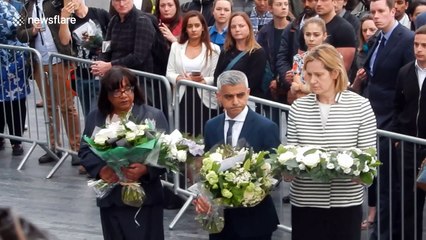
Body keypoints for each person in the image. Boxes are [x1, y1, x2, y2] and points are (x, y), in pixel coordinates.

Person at [286, 44, 377, 240]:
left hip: (345, 203)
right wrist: (286, 169)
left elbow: (369, 158)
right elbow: (290, 152)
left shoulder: (361, 106)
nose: (312, 80)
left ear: (335, 73)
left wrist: (357, 171)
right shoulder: (298, 108)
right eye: (308, 75)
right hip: (305, 202)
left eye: (319, 75)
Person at [79, 66, 168, 240]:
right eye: (117, 91)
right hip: (111, 199)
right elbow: (85, 150)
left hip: (146, 199)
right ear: (107, 94)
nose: (124, 95)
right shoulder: (96, 117)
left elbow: (167, 153)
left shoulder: (152, 116)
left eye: (128, 89)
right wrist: (101, 170)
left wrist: (145, 170)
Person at [194, 70, 280, 240]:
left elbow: (275, 171)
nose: (235, 101)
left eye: (240, 95)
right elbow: (206, 164)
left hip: (255, 219)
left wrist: (252, 188)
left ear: (248, 93)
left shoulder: (266, 127)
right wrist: (204, 195)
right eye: (228, 96)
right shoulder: (211, 125)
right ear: (219, 96)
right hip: (220, 219)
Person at [361, 0, 414, 237]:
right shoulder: (377, 39)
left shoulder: (405, 39)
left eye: (381, 11)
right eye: (373, 12)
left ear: (394, 11)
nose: (376, 16)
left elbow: (406, 86)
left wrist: (396, 124)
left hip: (391, 122)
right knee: (379, 181)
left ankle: (384, 233)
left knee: (388, 185)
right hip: (374, 118)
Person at [17, 0, 81, 164]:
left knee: (67, 105)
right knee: (49, 106)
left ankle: (76, 148)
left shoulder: (56, 2)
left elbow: (72, 15)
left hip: (61, 60)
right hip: (39, 63)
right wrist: (33, 30)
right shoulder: (27, 6)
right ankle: (54, 147)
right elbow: (20, 33)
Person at [390, 25, 426, 240]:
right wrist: (397, 137)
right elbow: (397, 106)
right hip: (408, 146)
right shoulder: (405, 72)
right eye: (416, 44)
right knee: (408, 203)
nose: (419, 49)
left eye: (424, 45)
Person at [166, 11, 220, 136]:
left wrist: (202, 81)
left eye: (197, 25)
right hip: (182, 95)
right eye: (190, 26)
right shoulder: (176, 47)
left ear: (203, 28)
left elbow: (214, 77)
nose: (193, 29)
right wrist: (180, 78)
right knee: (183, 133)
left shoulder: (214, 49)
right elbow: (169, 72)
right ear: (185, 29)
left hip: (204, 97)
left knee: (203, 134)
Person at [58, 0, 110, 117]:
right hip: (82, 74)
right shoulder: (69, 20)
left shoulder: (99, 13)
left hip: (102, 74)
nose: (72, 2)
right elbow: (64, 40)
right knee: (89, 115)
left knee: (100, 113)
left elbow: (114, 37)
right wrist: (64, 19)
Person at [92, 0, 156, 76]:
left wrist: (109, 65)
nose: (121, 4)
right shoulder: (114, 20)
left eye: (125, 0)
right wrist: (100, 64)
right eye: (117, 0)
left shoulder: (142, 21)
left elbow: (138, 57)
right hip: (115, 77)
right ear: (112, 2)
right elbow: (106, 47)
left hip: (138, 79)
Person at [214, 12, 268, 98]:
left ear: (249, 28)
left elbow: (253, 81)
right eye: (233, 27)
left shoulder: (258, 53)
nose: (237, 29)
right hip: (226, 98)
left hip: (247, 99)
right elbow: (217, 76)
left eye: (241, 26)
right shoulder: (225, 51)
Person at [0, 0, 29, 156]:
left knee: (17, 103)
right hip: (7, 62)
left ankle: (16, 141)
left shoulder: (17, 6)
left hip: (14, 64)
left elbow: (20, 28)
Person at [274, 0, 317, 104]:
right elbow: (282, 57)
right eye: (304, 1)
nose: (306, 4)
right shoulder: (292, 26)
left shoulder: (330, 25)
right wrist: (288, 78)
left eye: (316, 34)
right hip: (296, 94)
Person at [286, 17, 327, 104]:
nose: (311, 39)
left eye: (316, 35)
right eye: (308, 34)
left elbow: (327, 87)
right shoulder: (298, 58)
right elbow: (297, 90)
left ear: (324, 35)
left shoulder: (334, 58)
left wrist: (302, 88)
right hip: (304, 106)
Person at [257, 0, 291, 100]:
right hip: (270, 86)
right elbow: (262, 59)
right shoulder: (264, 31)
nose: (284, 7)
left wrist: (280, 80)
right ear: (270, 8)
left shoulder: (295, 29)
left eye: (286, 4)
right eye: (279, 4)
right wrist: (271, 80)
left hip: (289, 82)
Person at [315, 0, 356, 71]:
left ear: (334, 2)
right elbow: (300, 60)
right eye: (316, 0)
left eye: (323, 0)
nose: (318, 4)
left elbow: (342, 69)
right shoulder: (308, 27)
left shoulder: (344, 28)